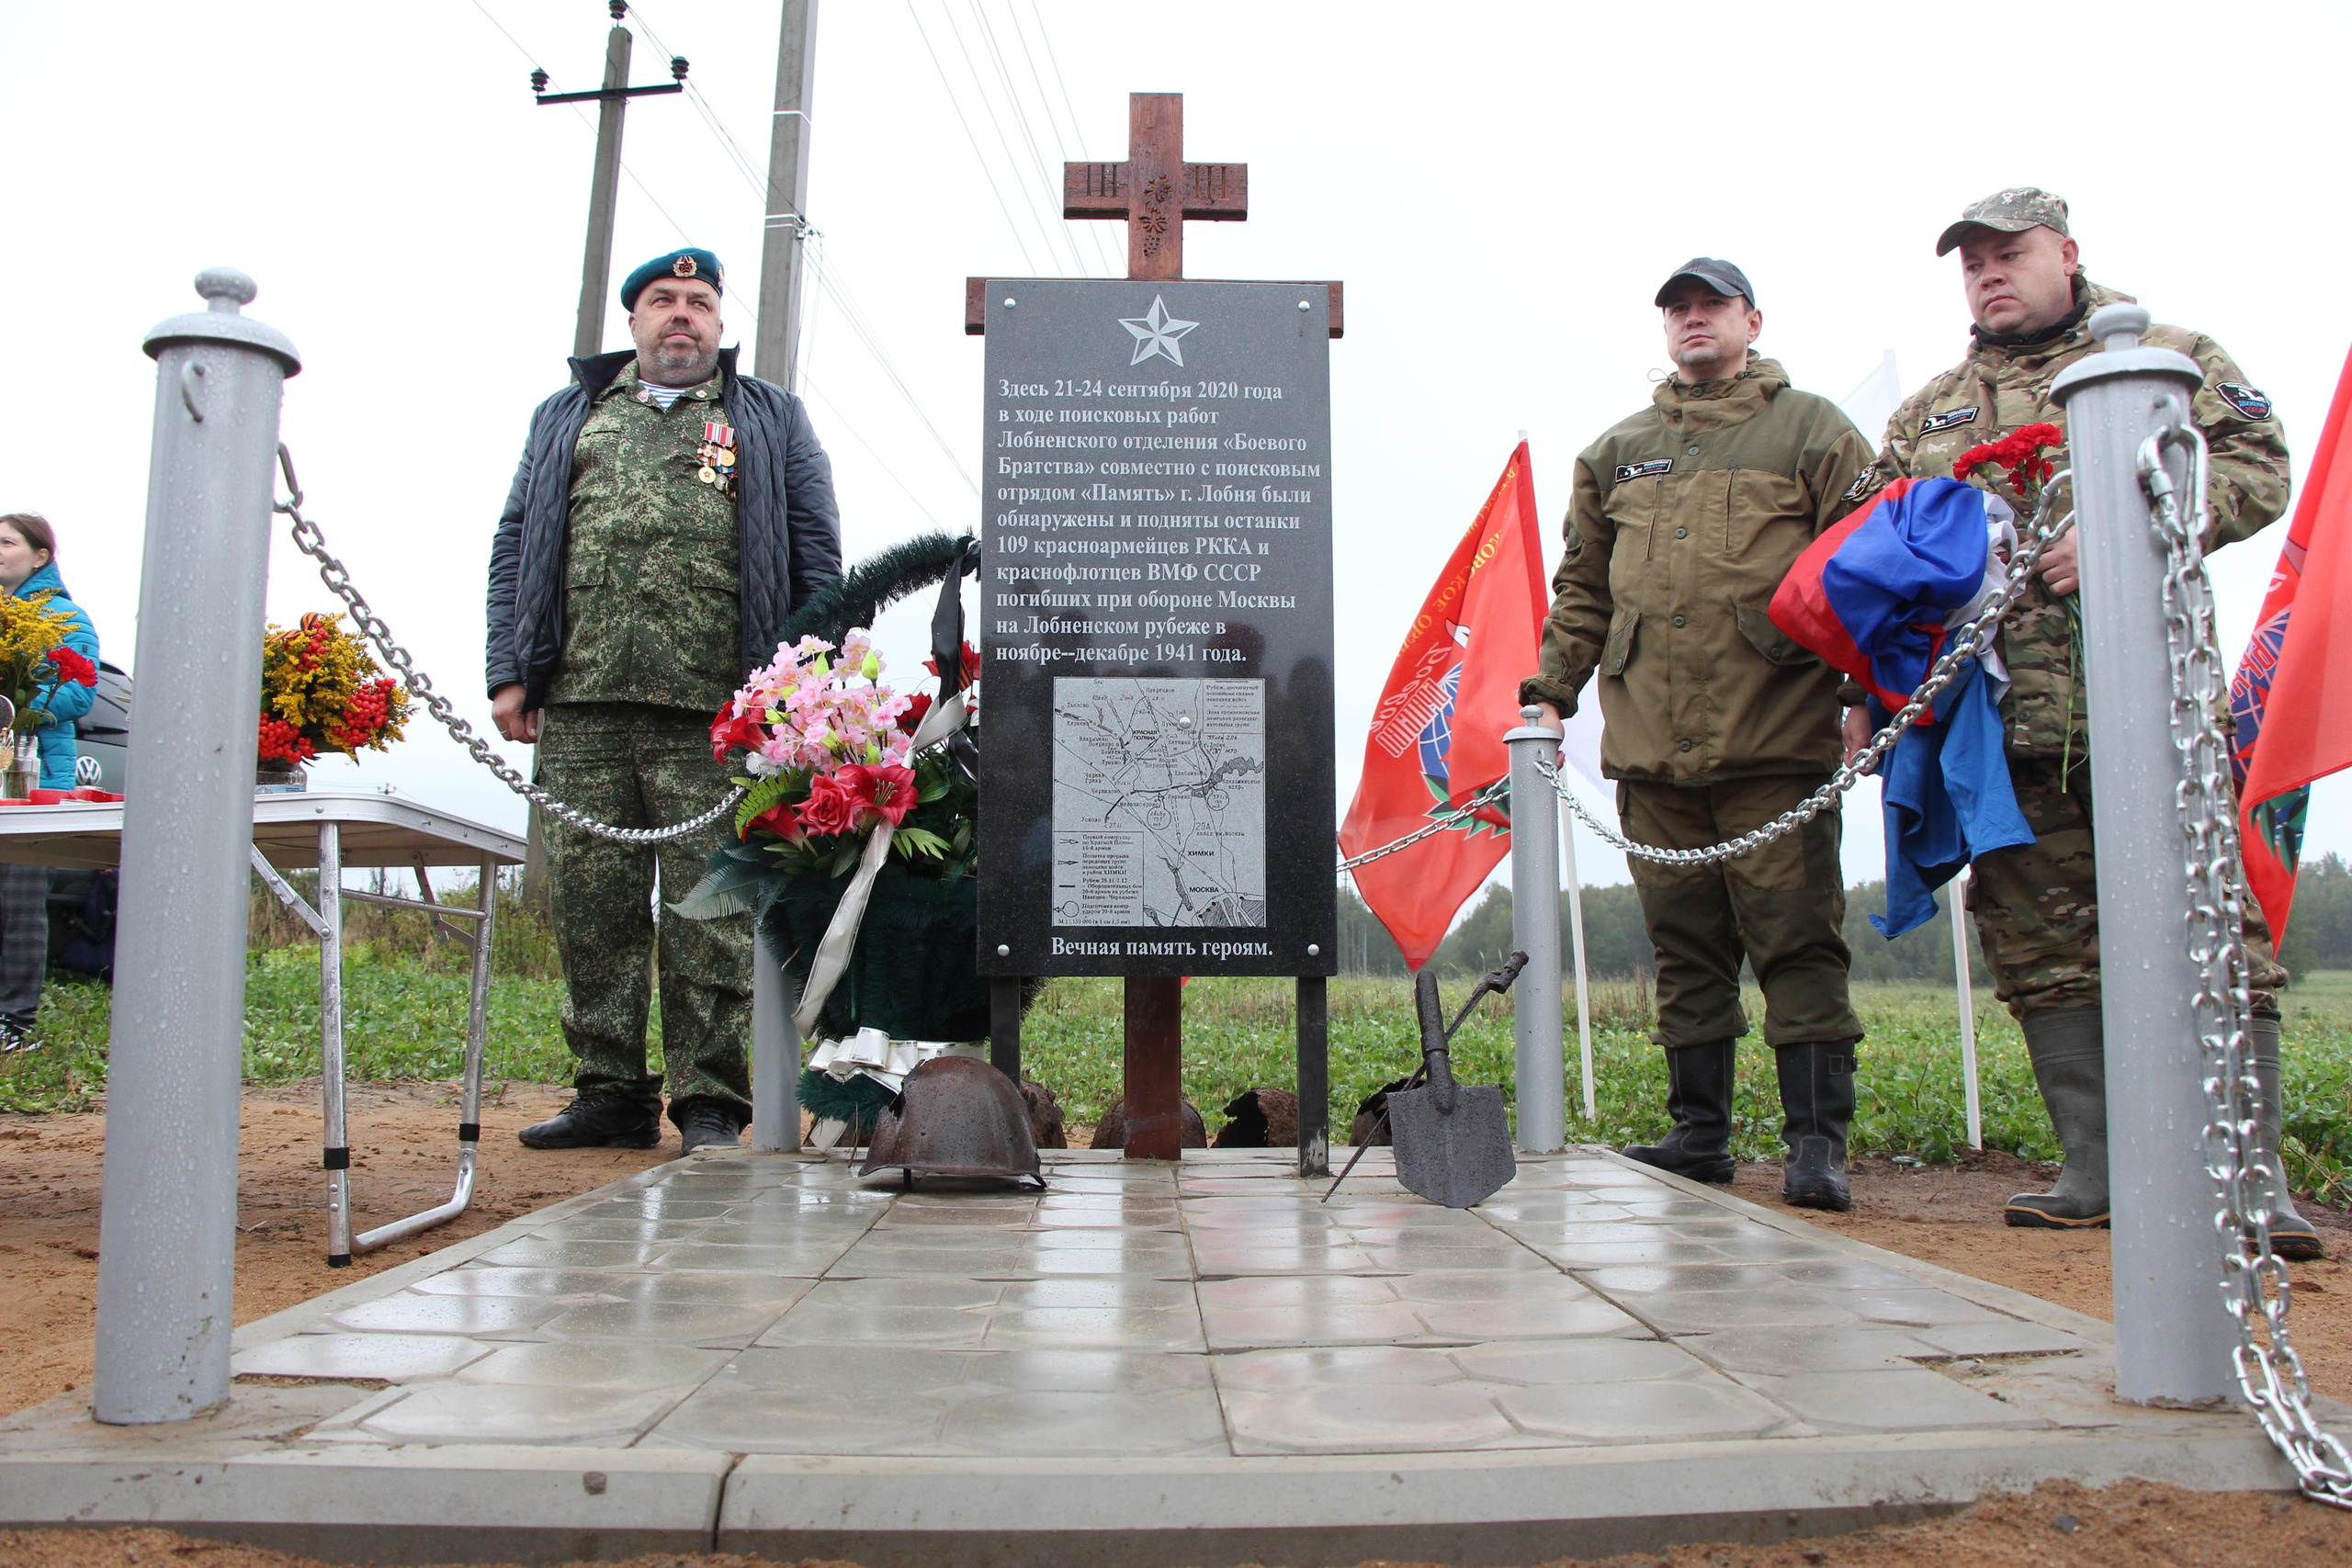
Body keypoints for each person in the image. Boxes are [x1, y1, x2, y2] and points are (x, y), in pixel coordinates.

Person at [1858, 187, 2321, 1255]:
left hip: (2151, 704)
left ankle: (2250, 1180)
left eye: (2007, 254)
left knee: (2218, 933)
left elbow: (2258, 469)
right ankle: (2093, 1167)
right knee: (2038, 945)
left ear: (2065, 252)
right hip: (1998, 727)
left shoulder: (2166, 353)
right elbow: (1874, 553)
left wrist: (2137, 529)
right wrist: (1865, 698)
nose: (1988, 275)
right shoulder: (1930, 411)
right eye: (1970, 262)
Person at [1521, 260, 1875, 1211]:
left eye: (1709, 306)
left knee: (1797, 941)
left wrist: (1858, 696)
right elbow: (1583, 589)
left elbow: (1864, 564)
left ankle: (1815, 1148)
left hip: (1776, 735)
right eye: (1676, 309)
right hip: (1650, 745)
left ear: (1751, 320)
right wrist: (1549, 694)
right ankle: (1699, 1138)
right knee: (1683, 947)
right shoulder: (1615, 450)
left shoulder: (1812, 431)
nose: (1692, 320)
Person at [486, 248, 842, 1155]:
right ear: (634, 321)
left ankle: (710, 1101)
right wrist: (509, 669)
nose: (680, 315)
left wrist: (801, 687)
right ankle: (608, 1089)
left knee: (709, 910)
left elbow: (816, 553)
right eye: (661, 302)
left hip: (717, 712)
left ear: (720, 324)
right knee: (591, 907)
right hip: (583, 699)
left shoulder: (768, 418)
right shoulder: (568, 414)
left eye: (698, 302)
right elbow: (517, 541)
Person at [0, 513, 98, 1054]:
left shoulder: (64, 617)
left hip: (27, 777)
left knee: (17, 902)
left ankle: (15, 1023)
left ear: (40, 557)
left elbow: (80, 694)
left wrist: (12, 705)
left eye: (6, 541)